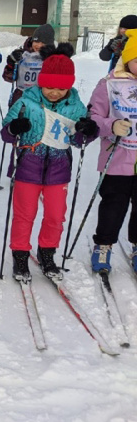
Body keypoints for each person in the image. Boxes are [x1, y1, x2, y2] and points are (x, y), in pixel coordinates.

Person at [0, 46, 95, 281]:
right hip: (28, 167)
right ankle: (20, 255)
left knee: (55, 215)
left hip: (58, 169)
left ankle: (47, 252)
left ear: (69, 86)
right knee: (25, 215)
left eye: (61, 88)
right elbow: (6, 133)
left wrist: (88, 131)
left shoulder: (75, 107)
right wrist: (14, 128)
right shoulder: (26, 102)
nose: (54, 92)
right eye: (49, 86)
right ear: (41, 82)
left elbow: (77, 139)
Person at [88, 34, 137, 273]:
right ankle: (104, 244)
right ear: (127, 60)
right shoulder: (109, 83)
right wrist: (111, 126)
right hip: (117, 159)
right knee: (113, 205)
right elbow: (94, 117)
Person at [2, 24, 59, 106]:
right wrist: (11, 64)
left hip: (42, 99)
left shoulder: (54, 58)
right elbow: (8, 78)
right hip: (21, 97)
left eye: (43, 43)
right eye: (36, 41)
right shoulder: (22, 54)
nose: (38, 45)